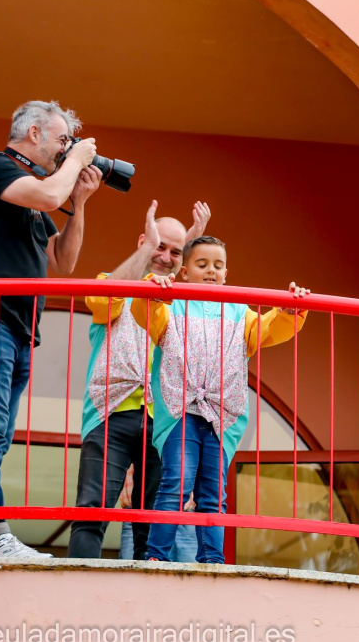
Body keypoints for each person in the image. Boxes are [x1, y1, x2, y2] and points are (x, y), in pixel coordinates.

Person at [0, 100, 101, 559]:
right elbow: (48, 196)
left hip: (18, 328)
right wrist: (75, 162)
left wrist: (79, 202)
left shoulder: (33, 194)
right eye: (61, 139)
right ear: (33, 133)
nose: (65, 149)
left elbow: (63, 260)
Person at [132, 236, 308, 563]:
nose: (211, 271)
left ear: (227, 273)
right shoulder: (172, 305)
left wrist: (288, 310)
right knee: (177, 482)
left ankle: (212, 559)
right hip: (180, 411)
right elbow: (146, 312)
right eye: (202, 265)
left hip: (221, 416)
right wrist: (153, 289)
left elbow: (269, 328)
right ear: (184, 272)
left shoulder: (240, 312)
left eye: (218, 265)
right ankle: (156, 556)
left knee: (213, 492)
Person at [68, 200, 210, 560]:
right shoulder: (116, 283)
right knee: (92, 512)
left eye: (175, 252)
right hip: (110, 413)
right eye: (159, 246)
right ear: (142, 241)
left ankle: (147, 590)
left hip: (164, 419)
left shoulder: (184, 301)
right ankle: (77, 587)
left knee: (155, 521)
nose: (165, 256)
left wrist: (192, 252)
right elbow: (103, 297)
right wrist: (149, 248)